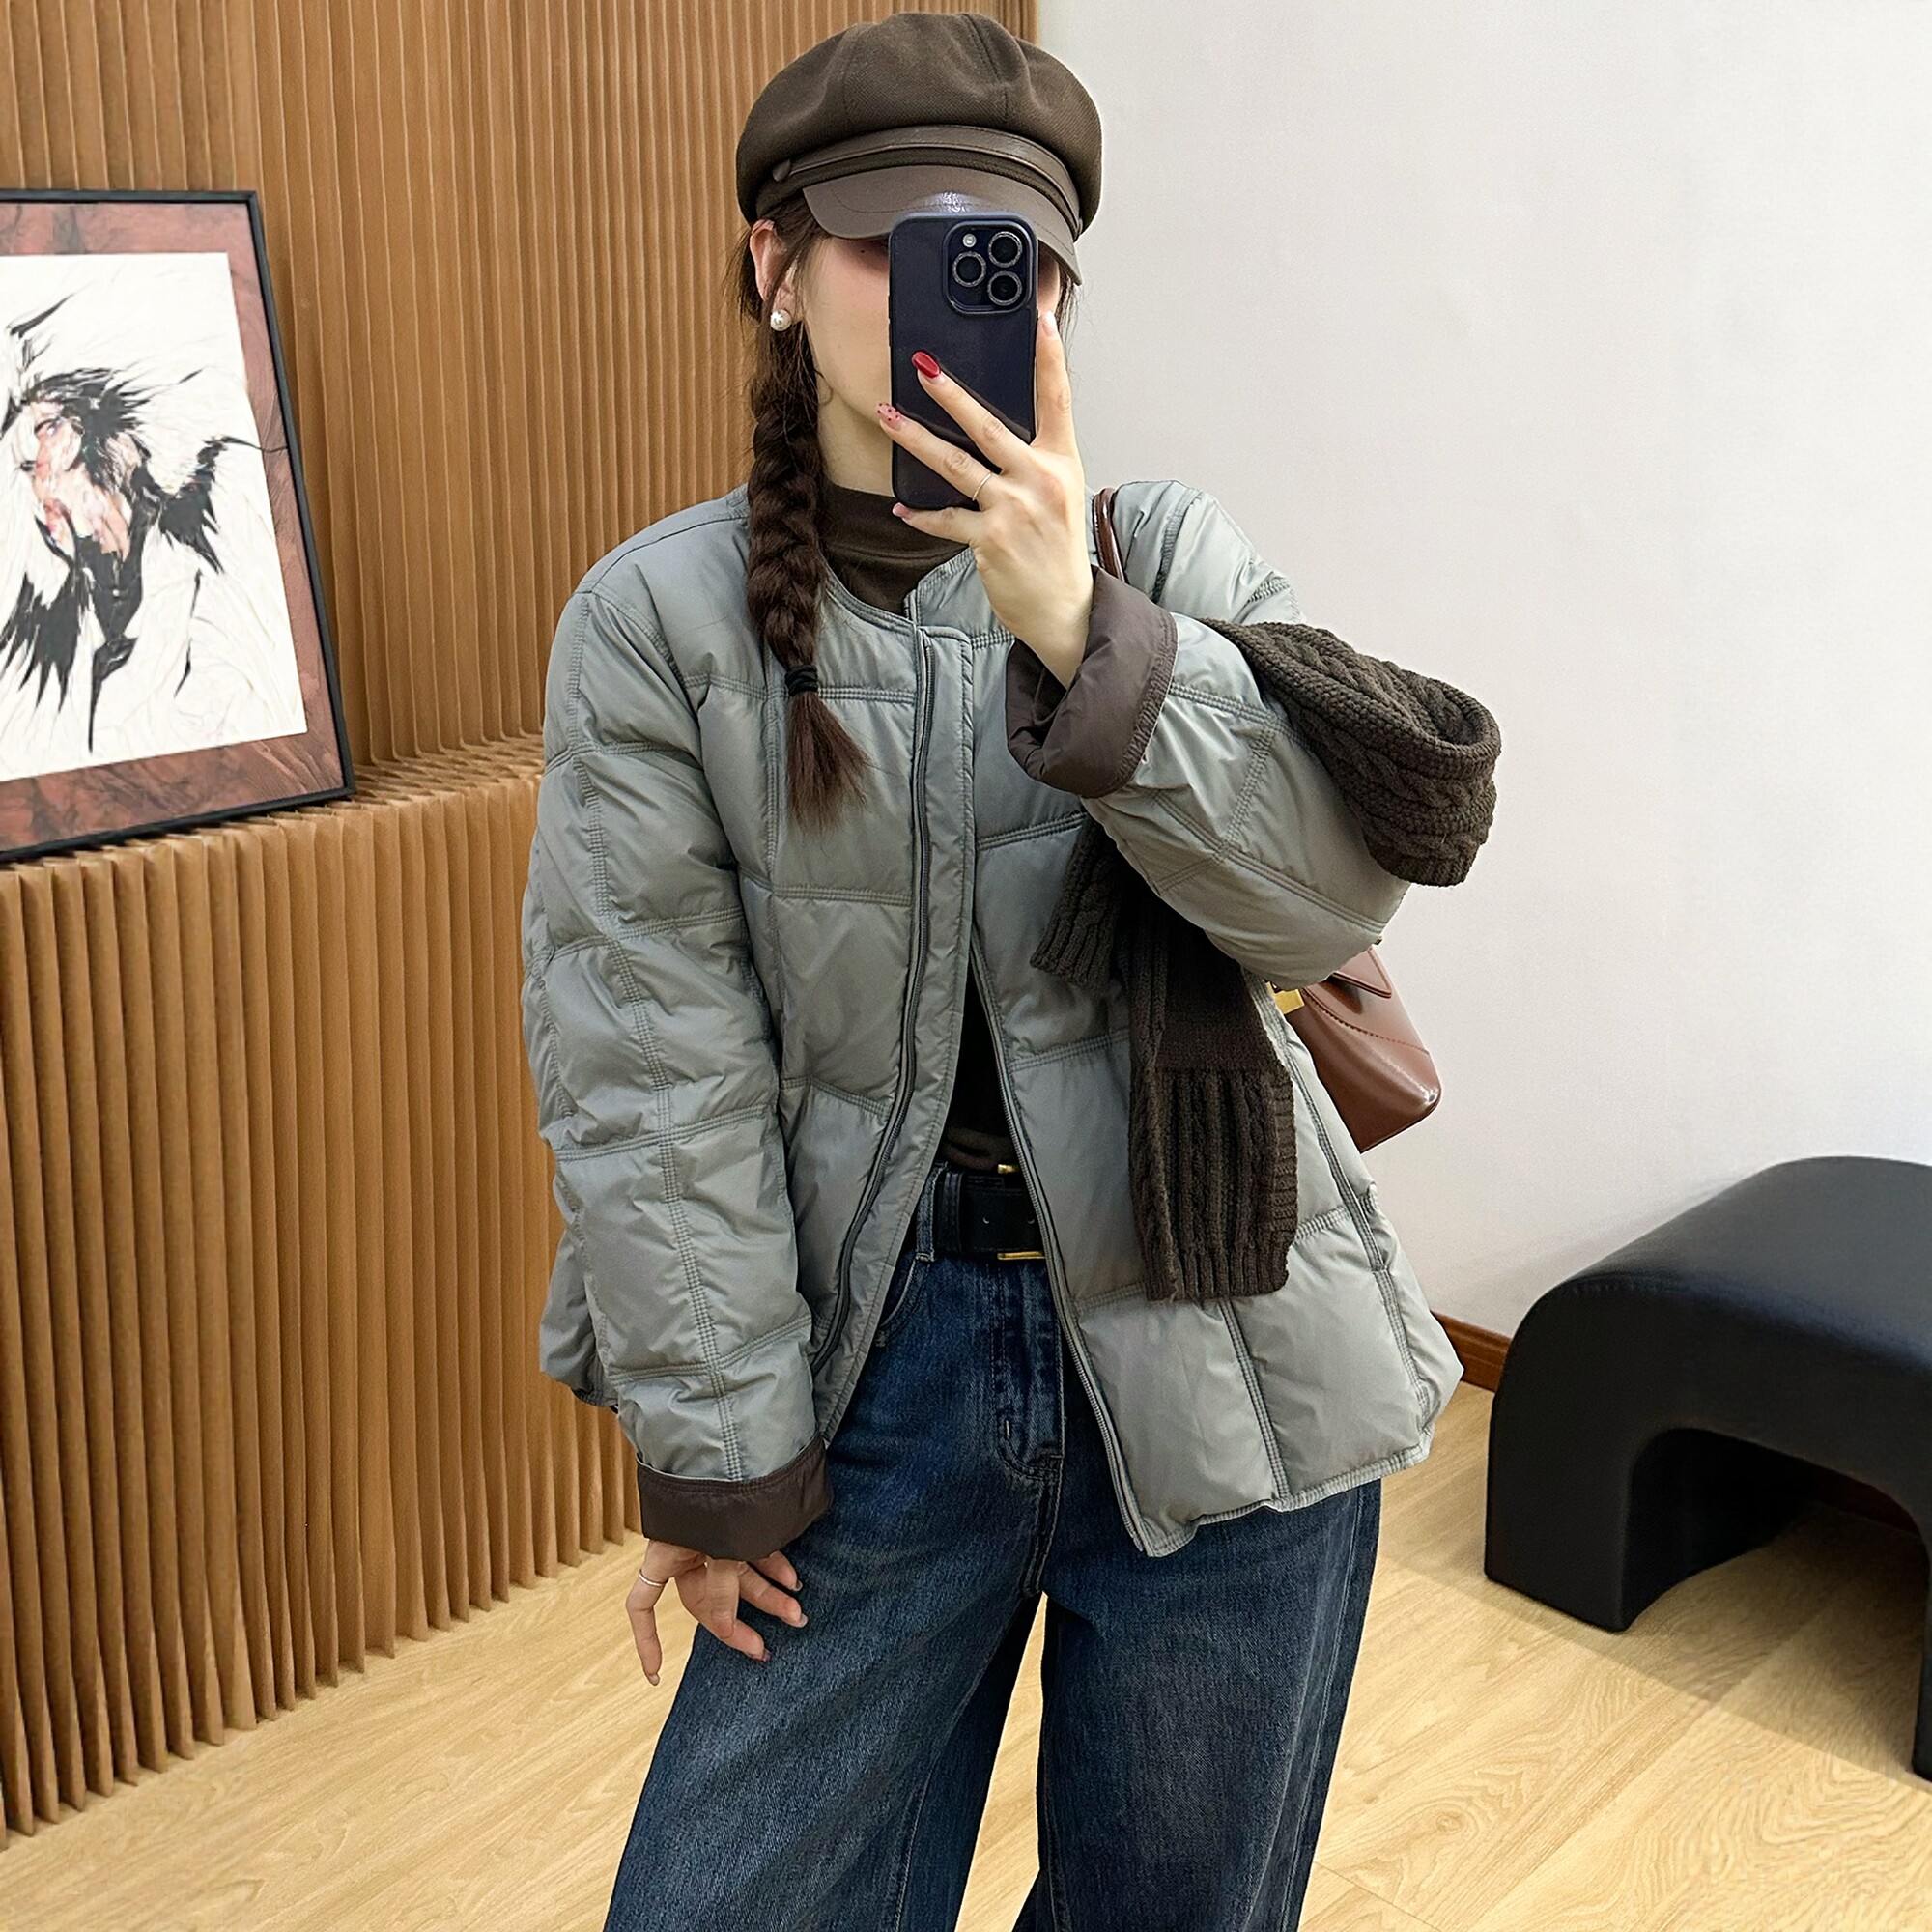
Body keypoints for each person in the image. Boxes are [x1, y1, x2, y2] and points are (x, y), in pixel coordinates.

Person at [517, 14, 1500, 1929]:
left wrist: (1081, 633)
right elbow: (650, 1073)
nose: (952, 296)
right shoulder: (659, 626)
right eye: (893, 242)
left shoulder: (1166, 558)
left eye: (1004, 261)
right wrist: (721, 1460)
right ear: (772, 262)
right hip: (874, 1367)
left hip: (1227, 1327)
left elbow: (1322, 910)